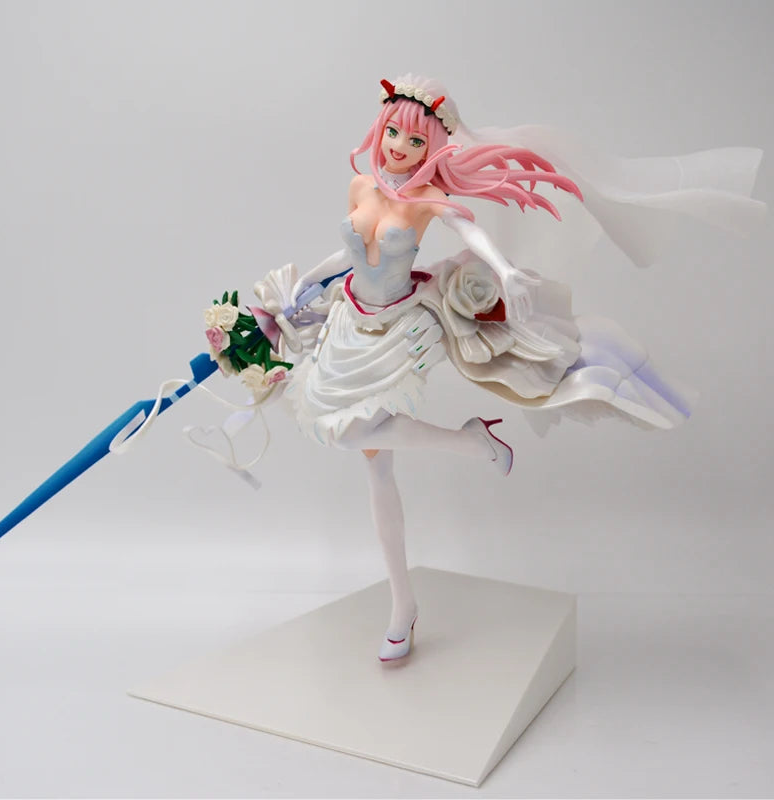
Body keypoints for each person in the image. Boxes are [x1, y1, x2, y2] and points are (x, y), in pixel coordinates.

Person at [245, 74, 765, 662]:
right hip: (348, 322)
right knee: (374, 464)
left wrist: (506, 269)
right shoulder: (361, 185)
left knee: (356, 435)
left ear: (433, 148)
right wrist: (307, 286)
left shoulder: (426, 199)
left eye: (415, 141)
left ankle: (468, 448)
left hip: (397, 331)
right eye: (392, 132)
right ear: (379, 128)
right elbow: (348, 254)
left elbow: (467, 228)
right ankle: (403, 604)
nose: (399, 147)